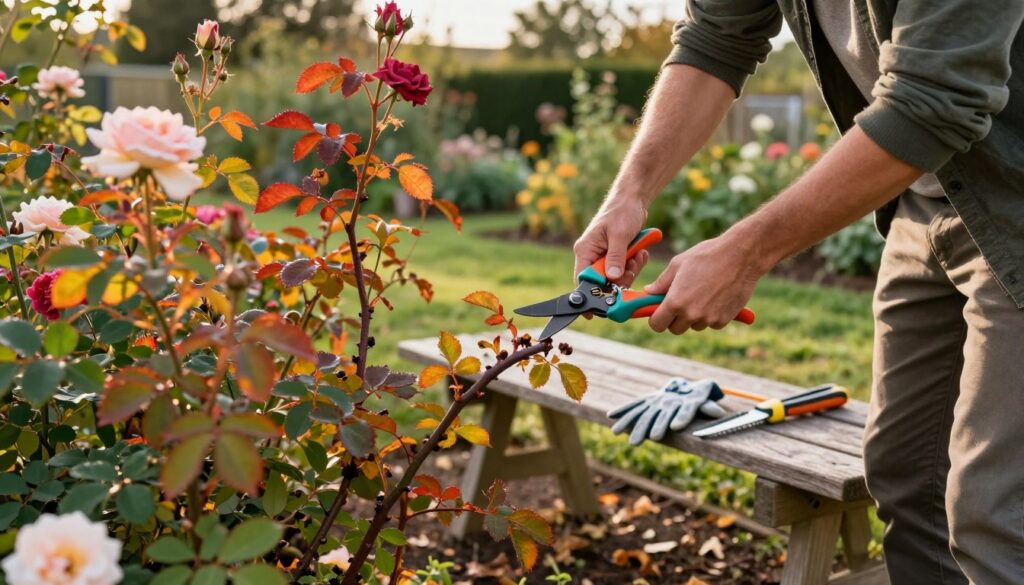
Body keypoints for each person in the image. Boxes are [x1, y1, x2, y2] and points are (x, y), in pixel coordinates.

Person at [573, 2, 1024, 584]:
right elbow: (716, 38)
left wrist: (745, 253)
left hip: (1012, 199)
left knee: (996, 515)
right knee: (911, 484)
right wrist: (627, 193)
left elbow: (933, 102)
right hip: (926, 200)